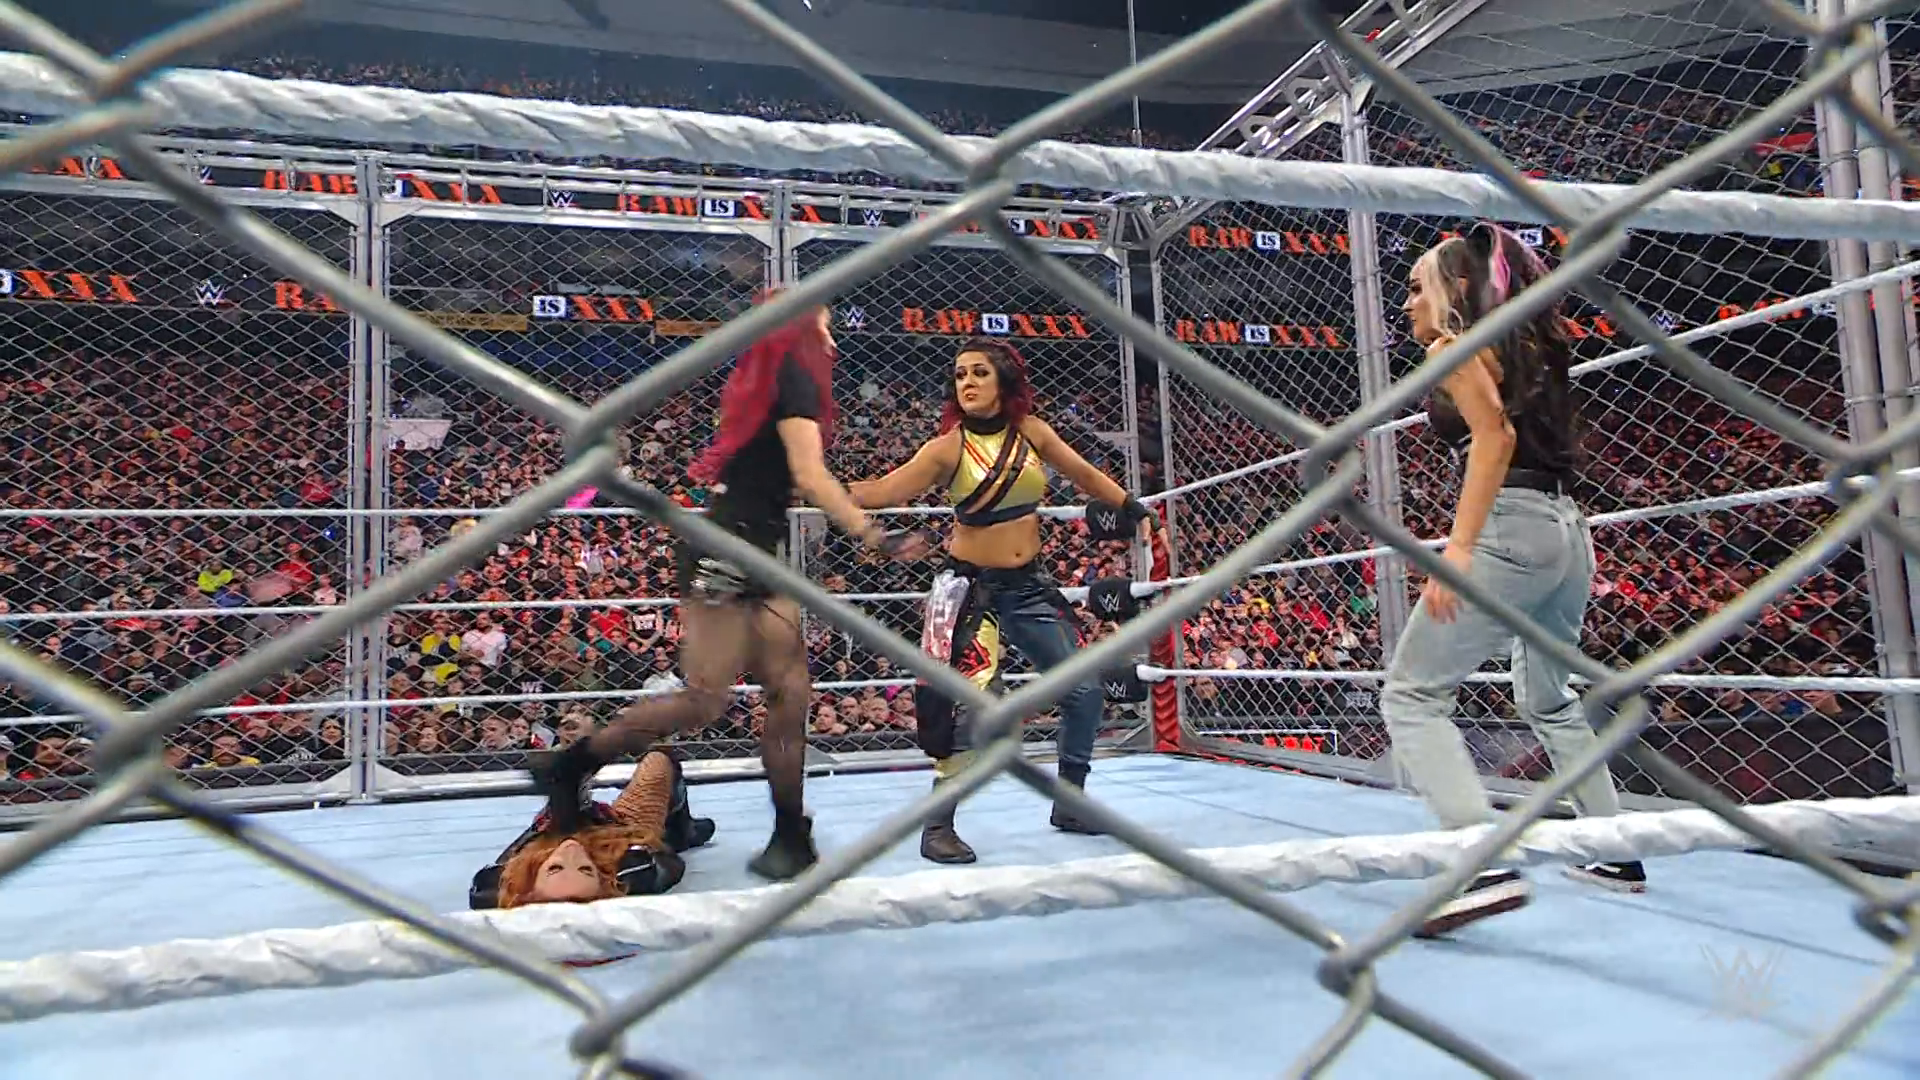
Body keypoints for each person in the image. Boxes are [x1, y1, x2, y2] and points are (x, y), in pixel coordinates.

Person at [532, 298, 926, 882]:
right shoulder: (794, 379)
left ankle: (789, 832)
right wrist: (872, 535)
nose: (833, 337)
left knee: (790, 692)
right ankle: (570, 765)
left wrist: (859, 500)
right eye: (824, 323)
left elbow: (793, 478)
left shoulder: (766, 380)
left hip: (751, 550)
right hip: (725, 553)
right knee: (706, 699)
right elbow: (810, 475)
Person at [1383, 222, 1644, 940]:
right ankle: (1613, 850)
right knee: (1549, 698)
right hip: (1567, 532)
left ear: (1458, 288)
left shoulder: (1456, 346)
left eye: (1416, 288)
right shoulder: (1529, 342)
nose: (1406, 304)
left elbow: (1494, 438)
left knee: (1411, 695)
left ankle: (1479, 866)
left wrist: (1459, 549)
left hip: (1508, 527)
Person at [849, 338, 1154, 865]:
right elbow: (883, 491)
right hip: (973, 590)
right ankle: (937, 825)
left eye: (978, 373)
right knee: (976, 706)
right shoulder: (948, 448)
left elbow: (1083, 474)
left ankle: (1070, 803)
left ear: (1003, 381)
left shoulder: (1032, 432)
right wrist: (810, 486)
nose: (966, 382)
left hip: (1029, 585)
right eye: (959, 374)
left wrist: (1135, 508)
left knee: (1084, 690)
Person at [471, 748, 716, 909]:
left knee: (558, 814)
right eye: (586, 869)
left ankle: (570, 792)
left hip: (556, 830)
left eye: (555, 868)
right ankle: (684, 831)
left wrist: (563, 810)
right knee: (659, 760)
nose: (571, 852)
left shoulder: (502, 885)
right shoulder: (632, 873)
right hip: (620, 832)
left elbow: (530, 841)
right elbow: (669, 861)